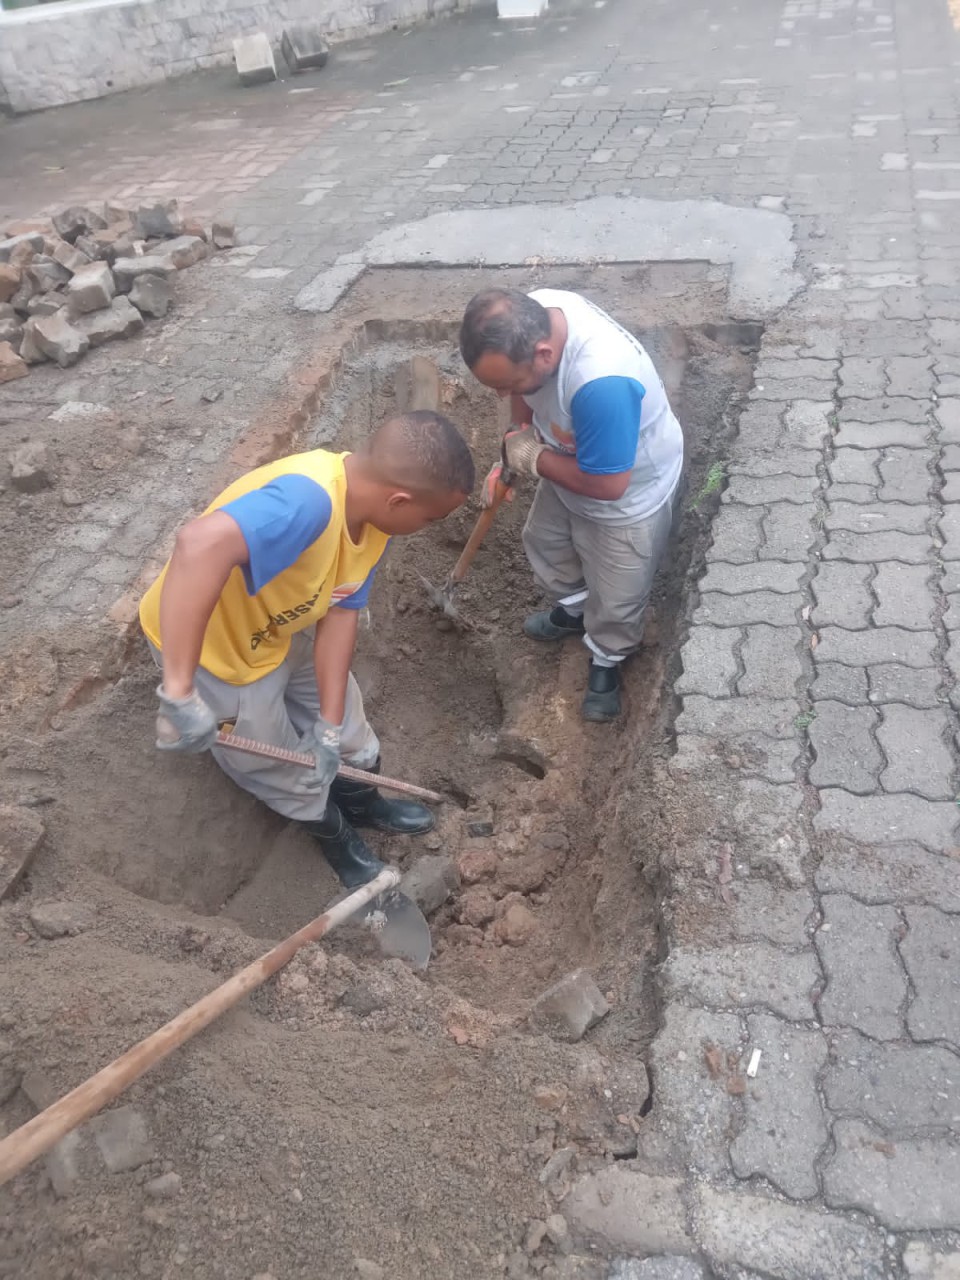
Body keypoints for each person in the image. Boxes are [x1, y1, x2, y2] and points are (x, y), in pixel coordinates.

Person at [138, 411, 475, 890]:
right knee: (276, 762)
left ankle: (363, 803)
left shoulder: (371, 520)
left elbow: (341, 614)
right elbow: (196, 544)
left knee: (351, 728)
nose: (427, 527)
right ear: (399, 500)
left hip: (278, 628)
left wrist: (331, 727)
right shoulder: (307, 503)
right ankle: (332, 832)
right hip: (221, 658)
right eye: (430, 518)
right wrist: (179, 689)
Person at [459, 287, 684, 723]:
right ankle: (578, 612)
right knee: (543, 540)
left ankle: (607, 658)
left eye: (508, 385)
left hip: (627, 493)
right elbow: (522, 401)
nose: (503, 393)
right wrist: (517, 435)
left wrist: (535, 458)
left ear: (544, 355)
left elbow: (608, 485)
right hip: (571, 458)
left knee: (619, 598)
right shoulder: (533, 315)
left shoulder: (602, 382)